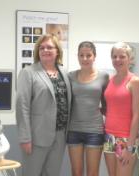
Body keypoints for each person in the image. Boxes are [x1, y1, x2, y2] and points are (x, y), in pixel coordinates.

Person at [16, 34, 72, 176]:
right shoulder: (28, 72)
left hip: (60, 135)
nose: (45, 50)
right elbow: (22, 107)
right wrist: (25, 138)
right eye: (41, 48)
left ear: (57, 51)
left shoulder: (64, 73)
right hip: (37, 136)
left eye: (49, 47)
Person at [66, 41, 109, 176]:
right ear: (77, 56)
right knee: (76, 172)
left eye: (88, 55)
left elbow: (106, 104)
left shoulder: (104, 76)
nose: (85, 59)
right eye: (81, 55)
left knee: (92, 173)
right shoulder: (70, 76)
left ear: (94, 56)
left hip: (94, 131)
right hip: (73, 130)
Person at [103, 42, 139, 176]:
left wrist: (130, 147)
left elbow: (137, 115)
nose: (118, 60)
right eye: (114, 56)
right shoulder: (110, 80)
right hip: (109, 137)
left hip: (126, 139)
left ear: (129, 59)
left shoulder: (135, 81)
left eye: (122, 56)